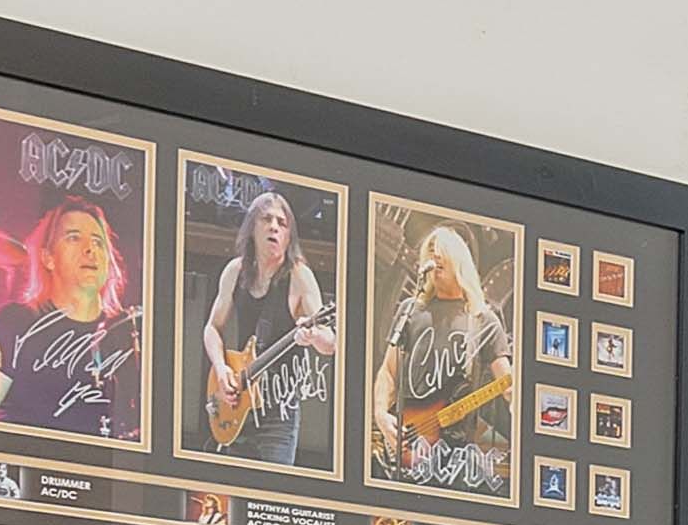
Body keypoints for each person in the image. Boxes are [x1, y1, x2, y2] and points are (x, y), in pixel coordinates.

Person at [198, 179, 341, 472]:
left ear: (289, 237)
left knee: (273, 490)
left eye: (282, 223)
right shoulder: (235, 271)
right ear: (252, 228)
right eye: (266, 220)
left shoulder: (300, 277)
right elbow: (212, 328)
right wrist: (222, 369)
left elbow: (331, 344)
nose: (274, 227)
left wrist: (313, 335)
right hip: (239, 400)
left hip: (279, 410)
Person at [0, 199, 141, 439]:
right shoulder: (16, 321)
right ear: (48, 258)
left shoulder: (128, 334)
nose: (90, 249)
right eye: (74, 238)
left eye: (98, 242)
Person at [376, 224, 518, 498]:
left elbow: (507, 384)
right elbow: (388, 372)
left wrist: (519, 402)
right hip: (408, 443)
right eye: (430, 250)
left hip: (456, 458)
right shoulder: (409, 311)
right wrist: (381, 415)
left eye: (441, 250)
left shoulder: (482, 320)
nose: (434, 255)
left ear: (459, 260)